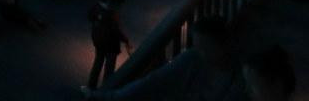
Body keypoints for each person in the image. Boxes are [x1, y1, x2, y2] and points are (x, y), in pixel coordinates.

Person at [83, 15, 246, 100]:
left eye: (206, 47)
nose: (200, 52)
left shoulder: (242, 76)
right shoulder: (193, 57)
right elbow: (153, 81)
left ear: (224, 43)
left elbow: (153, 81)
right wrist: (113, 97)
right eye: (198, 46)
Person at [87, 0, 131, 90]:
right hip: (110, 45)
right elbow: (115, 31)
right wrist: (125, 40)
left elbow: (90, 17)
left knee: (98, 63)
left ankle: (91, 86)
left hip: (98, 41)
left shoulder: (97, 8)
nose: (120, 7)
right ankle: (105, 88)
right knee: (109, 68)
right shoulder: (111, 14)